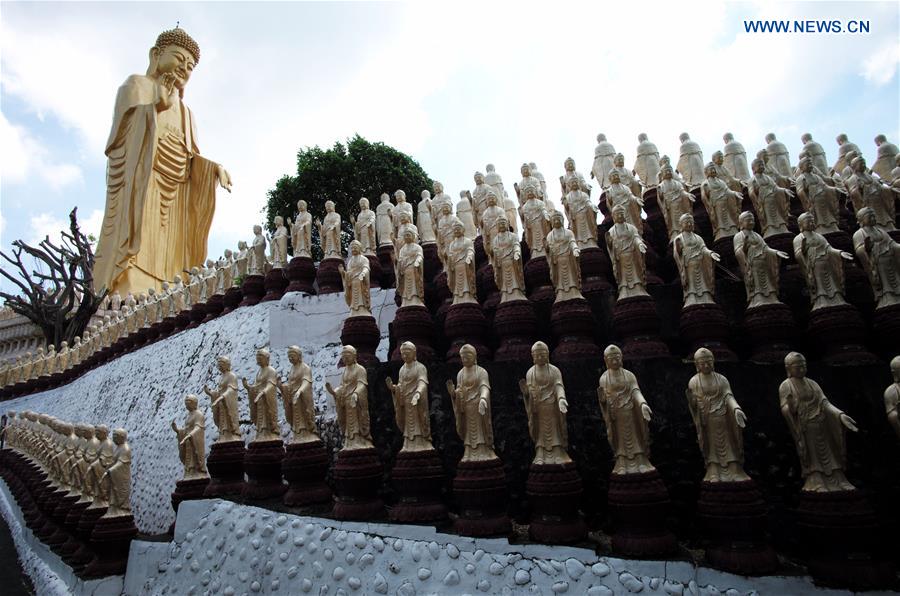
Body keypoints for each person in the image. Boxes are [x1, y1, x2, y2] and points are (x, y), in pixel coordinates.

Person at [92, 28, 232, 296]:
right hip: (141, 181)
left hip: (175, 193)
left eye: (190, 66)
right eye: (178, 58)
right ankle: (126, 281)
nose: (184, 68)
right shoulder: (136, 85)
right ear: (155, 54)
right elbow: (118, 141)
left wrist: (213, 169)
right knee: (139, 235)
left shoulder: (187, 113)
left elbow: (191, 158)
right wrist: (154, 107)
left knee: (171, 246)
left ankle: (168, 287)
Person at [779, 352, 858, 492]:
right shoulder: (786, 385)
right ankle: (816, 480)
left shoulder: (812, 383)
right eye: (798, 367)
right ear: (789, 368)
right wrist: (790, 407)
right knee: (813, 455)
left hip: (822, 422)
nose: (802, 370)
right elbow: (785, 408)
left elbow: (824, 403)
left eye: (804, 366)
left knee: (830, 451)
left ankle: (839, 479)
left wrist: (840, 415)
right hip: (806, 426)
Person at [686, 348, 750, 483]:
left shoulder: (721, 379)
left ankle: (735, 468)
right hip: (707, 419)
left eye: (709, 362)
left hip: (723, 417)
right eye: (702, 363)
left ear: (713, 362)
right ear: (697, 365)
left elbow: (728, 396)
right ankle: (713, 470)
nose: (706, 366)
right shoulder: (694, 381)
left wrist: (736, 408)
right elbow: (694, 403)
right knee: (712, 446)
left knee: (729, 443)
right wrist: (693, 402)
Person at [597, 345, 654, 475]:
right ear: (606, 360)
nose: (615, 361)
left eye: (617, 358)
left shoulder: (629, 375)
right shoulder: (604, 378)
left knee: (635, 436)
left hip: (630, 411)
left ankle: (641, 461)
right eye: (611, 359)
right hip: (615, 414)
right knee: (620, 440)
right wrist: (603, 401)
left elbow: (635, 391)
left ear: (621, 358)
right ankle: (622, 462)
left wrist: (642, 404)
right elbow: (604, 399)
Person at [518, 342, 571, 465]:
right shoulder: (531, 372)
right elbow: (531, 392)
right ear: (532, 356)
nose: (540, 357)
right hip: (538, 407)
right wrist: (526, 394)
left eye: (542, 355)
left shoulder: (554, 370)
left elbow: (558, 386)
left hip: (552, 405)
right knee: (541, 432)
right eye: (537, 355)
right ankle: (541, 453)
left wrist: (562, 399)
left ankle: (558, 452)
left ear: (547, 354)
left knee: (554, 429)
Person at [446, 344, 497, 462]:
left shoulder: (481, 372)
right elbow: (460, 390)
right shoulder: (460, 374)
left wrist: (483, 399)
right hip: (466, 407)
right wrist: (454, 394)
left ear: (474, 357)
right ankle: (469, 452)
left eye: (468, 356)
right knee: (469, 432)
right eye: (462, 357)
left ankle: (484, 451)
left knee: (481, 431)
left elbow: (485, 387)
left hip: (478, 406)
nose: (465, 359)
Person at [794, 213, 854, 310]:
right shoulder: (798, 238)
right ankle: (821, 299)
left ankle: (837, 298)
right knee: (819, 284)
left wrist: (839, 253)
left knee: (832, 282)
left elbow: (828, 248)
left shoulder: (819, 236)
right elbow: (797, 254)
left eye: (813, 221)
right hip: (814, 264)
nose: (811, 223)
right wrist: (803, 250)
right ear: (801, 225)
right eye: (808, 221)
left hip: (826, 262)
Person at [734, 211, 789, 308]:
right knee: (757, 281)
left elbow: (765, 248)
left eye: (752, 220)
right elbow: (738, 251)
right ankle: (757, 297)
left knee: (767, 280)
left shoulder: (757, 235)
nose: (751, 222)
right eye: (748, 220)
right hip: (752, 262)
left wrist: (776, 252)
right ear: (741, 223)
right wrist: (745, 249)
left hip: (763, 261)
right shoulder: (739, 236)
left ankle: (771, 297)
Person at [385, 342, 432, 452]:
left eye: (407, 353)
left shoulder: (420, 367)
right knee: (408, 426)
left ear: (414, 353)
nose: (405, 356)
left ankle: (421, 442)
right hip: (405, 401)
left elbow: (423, 383)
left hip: (416, 401)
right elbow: (401, 386)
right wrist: (393, 388)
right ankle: (408, 444)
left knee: (418, 424)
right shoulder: (402, 369)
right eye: (403, 354)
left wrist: (418, 393)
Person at [326, 346, 373, 451]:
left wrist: (356, 393)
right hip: (346, 401)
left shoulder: (360, 369)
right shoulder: (345, 370)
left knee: (357, 422)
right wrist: (335, 392)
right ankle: (349, 442)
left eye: (347, 356)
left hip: (356, 401)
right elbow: (343, 386)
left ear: (354, 356)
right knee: (348, 424)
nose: (345, 359)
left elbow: (362, 384)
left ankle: (359, 439)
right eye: (343, 357)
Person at [853, 207, 900, 310]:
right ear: (862, 220)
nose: (873, 218)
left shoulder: (880, 231)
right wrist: (866, 248)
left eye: (874, 216)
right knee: (885, 283)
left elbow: (892, 244)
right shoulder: (859, 234)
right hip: (877, 262)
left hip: (890, 259)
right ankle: (887, 296)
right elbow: (859, 250)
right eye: (870, 216)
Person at [674, 214, 720, 307]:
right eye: (687, 222)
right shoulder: (679, 238)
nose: (690, 224)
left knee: (703, 281)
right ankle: (691, 297)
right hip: (688, 264)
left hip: (700, 262)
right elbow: (677, 254)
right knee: (691, 284)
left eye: (691, 222)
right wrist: (678, 247)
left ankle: (706, 297)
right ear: (681, 225)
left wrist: (711, 253)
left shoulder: (698, 237)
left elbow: (703, 249)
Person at [606, 205, 649, 301]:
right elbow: (610, 245)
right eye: (617, 214)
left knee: (636, 273)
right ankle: (624, 288)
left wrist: (640, 244)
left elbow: (636, 238)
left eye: (622, 214)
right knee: (623, 276)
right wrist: (609, 243)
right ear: (613, 216)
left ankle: (638, 287)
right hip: (620, 256)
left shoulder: (631, 228)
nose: (620, 216)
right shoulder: (611, 231)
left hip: (632, 254)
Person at [277, 346, 317, 443]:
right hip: (293, 398)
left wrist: (300, 391)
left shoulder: (305, 368)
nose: (290, 358)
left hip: (302, 397)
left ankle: (306, 434)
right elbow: (290, 385)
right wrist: (281, 387)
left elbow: (306, 382)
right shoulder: (292, 369)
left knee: (303, 418)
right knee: (295, 419)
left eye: (292, 356)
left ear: (299, 356)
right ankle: (298, 435)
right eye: (289, 356)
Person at [796, 157, 842, 235]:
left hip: (824, 199)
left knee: (828, 214)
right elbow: (800, 191)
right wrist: (806, 200)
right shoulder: (801, 178)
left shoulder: (817, 177)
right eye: (808, 164)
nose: (810, 165)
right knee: (818, 216)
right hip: (814, 201)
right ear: (802, 167)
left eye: (811, 164)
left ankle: (832, 226)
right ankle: (820, 227)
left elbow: (825, 186)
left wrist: (834, 189)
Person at [242, 348, 280, 442]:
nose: (258, 360)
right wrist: (248, 387)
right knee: (260, 417)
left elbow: (271, 384)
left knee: (266, 416)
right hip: (259, 399)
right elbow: (256, 386)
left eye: (260, 358)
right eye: (257, 358)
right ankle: (261, 433)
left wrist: (264, 392)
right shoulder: (259, 372)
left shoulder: (271, 370)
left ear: (267, 358)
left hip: (266, 397)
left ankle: (269, 433)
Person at [749, 158, 792, 238]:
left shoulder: (768, 178)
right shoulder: (753, 180)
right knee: (768, 216)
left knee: (778, 213)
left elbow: (775, 188)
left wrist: (784, 190)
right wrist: (755, 197)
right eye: (759, 165)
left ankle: (782, 227)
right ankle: (769, 227)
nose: (762, 166)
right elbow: (751, 192)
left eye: (762, 165)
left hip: (774, 198)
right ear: (753, 168)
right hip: (764, 201)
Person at [546, 211, 583, 303]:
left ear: (562, 220)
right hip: (557, 260)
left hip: (568, 257)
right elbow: (549, 248)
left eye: (558, 219)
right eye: (554, 220)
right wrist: (547, 249)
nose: (557, 221)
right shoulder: (550, 235)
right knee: (559, 278)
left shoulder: (568, 232)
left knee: (571, 275)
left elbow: (572, 242)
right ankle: (560, 292)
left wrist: (575, 249)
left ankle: (574, 290)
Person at [202, 356, 241, 442]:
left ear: (227, 365)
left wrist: (224, 396)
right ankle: (224, 435)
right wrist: (211, 393)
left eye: (221, 365)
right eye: (218, 365)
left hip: (228, 401)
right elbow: (219, 392)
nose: (219, 367)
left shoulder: (231, 376)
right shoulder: (222, 377)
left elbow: (232, 389)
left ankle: (231, 434)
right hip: (221, 402)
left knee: (228, 419)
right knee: (222, 421)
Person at [490, 217, 527, 303]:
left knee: (514, 278)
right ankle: (505, 294)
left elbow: (516, 244)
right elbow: (494, 250)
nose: (502, 225)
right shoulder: (495, 239)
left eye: (503, 223)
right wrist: (495, 253)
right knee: (504, 281)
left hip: (512, 260)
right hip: (501, 262)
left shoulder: (513, 236)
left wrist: (517, 252)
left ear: (507, 225)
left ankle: (517, 291)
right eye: (500, 224)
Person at [171, 394, 207, 479]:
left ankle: (196, 471)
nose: (186, 405)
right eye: (185, 403)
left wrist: (191, 435)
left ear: (193, 403)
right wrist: (178, 431)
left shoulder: (199, 414)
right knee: (188, 459)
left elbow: (198, 428)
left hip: (194, 440)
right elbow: (186, 430)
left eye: (188, 403)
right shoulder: (189, 415)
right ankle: (189, 473)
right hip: (187, 440)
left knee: (193, 458)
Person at [658, 165, 695, 242]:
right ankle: (674, 232)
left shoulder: (677, 183)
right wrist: (660, 194)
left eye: (670, 171)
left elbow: (682, 192)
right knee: (673, 221)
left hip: (679, 203)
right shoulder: (661, 185)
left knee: (682, 217)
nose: (668, 172)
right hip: (670, 205)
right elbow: (661, 198)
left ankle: (684, 231)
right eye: (666, 171)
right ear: (662, 174)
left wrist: (688, 195)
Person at [447, 221, 477, 304]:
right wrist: (450, 259)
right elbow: (450, 254)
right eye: (455, 230)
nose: (456, 231)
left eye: (458, 229)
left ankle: (467, 294)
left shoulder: (467, 241)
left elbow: (470, 250)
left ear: (463, 230)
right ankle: (457, 297)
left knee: (466, 281)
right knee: (457, 283)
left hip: (465, 264)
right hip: (455, 266)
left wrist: (469, 257)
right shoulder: (452, 244)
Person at [340, 240, 372, 317]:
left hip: (361, 282)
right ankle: (354, 309)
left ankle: (363, 308)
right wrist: (343, 273)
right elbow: (348, 273)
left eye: (355, 247)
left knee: (361, 297)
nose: (354, 249)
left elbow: (366, 268)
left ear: (359, 248)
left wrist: (363, 273)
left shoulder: (364, 259)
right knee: (354, 298)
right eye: (352, 248)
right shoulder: (350, 261)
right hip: (353, 283)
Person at [396, 229, 425, 308]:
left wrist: (417, 262)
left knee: (414, 284)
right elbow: (400, 259)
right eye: (405, 236)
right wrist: (400, 263)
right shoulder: (402, 249)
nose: (406, 237)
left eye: (408, 235)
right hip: (405, 270)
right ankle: (405, 300)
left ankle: (415, 297)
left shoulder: (417, 247)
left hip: (414, 269)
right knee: (406, 286)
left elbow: (420, 256)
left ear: (413, 236)